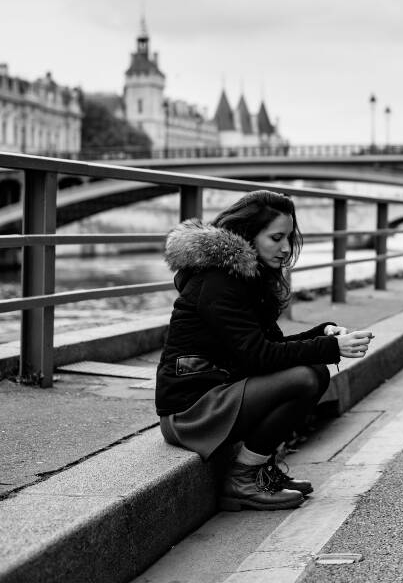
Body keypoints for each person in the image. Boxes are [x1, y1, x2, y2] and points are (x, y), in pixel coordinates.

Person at [155, 189, 373, 512]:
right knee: (306, 377)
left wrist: (323, 333)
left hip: (220, 392)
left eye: (289, 238)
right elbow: (260, 356)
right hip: (191, 411)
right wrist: (330, 347)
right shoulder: (218, 282)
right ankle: (243, 478)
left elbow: (270, 347)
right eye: (276, 238)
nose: (286, 249)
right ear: (249, 235)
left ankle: (259, 470)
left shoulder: (246, 278)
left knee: (312, 372)